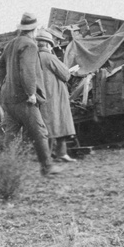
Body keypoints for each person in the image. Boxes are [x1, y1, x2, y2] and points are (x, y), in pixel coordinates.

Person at [0, 12, 64, 176]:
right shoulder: (30, 45)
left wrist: (6, 84)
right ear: (33, 30)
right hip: (24, 99)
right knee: (40, 132)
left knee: (11, 135)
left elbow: (0, 68)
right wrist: (31, 93)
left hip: (8, 98)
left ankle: (6, 170)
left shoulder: (11, 44)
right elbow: (27, 71)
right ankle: (47, 167)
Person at [36, 29, 77, 163]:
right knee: (60, 124)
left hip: (42, 97)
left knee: (48, 126)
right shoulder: (49, 57)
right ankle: (60, 154)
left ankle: (49, 155)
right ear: (48, 44)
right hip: (56, 97)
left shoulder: (33, 58)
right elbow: (65, 74)